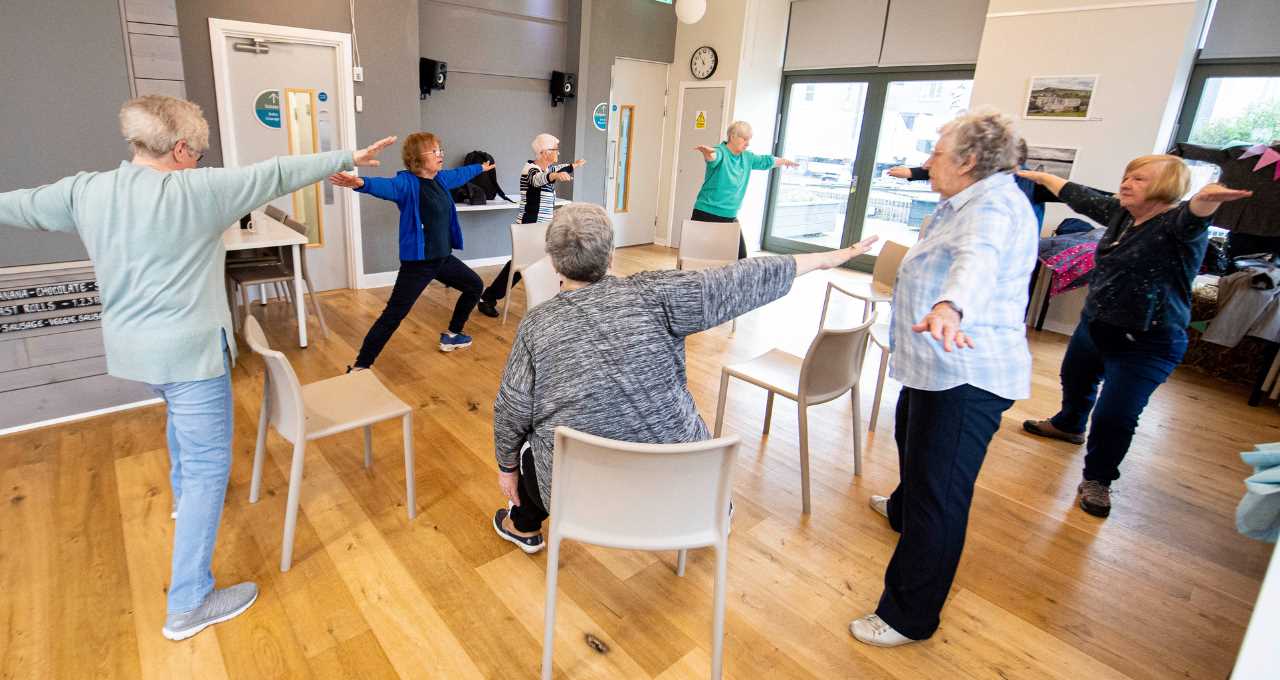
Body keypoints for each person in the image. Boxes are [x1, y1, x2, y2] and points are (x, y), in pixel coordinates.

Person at [0, 95, 396, 640]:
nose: (202, 161)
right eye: (199, 152)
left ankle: (183, 504)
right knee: (211, 464)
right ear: (181, 148)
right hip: (189, 354)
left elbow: (16, 205)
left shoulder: (86, 190)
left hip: (135, 353)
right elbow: (277, 173)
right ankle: (188, 603)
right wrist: (346, 153)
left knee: (180, 428)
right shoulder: (196, 191)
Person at [489, 203, 877, 553]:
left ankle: (523, 527)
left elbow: (512, 409)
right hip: (683, 489)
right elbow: (739, 278)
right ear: (610, 256)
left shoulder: (538, 323)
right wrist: (825, 259)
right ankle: (711, 513)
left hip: (582, 501)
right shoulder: (658, 294)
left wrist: (507, 467)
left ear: (553, 263)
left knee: (528, 445)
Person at [851, 111, 1038, 648]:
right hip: (935, 365)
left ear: (969, 160)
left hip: (966, 372)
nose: (928, 161)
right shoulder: (964, 199)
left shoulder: (993, 207)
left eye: (936, 152)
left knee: (941, 494)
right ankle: (902, 510)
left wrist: (950, 307)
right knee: (910, 436)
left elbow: (977, 261)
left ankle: (909, 616)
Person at [1018, 157, 1251, 517]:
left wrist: (1207, 200)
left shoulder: (1178, 225)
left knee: (1115, 415)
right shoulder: (1121, 212)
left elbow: (1196, 214)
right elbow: (1079, 195)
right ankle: (1069, 425)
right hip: (1096, 325)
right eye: (1127, 176)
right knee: (1075, 379)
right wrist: (1038, 175)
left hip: (1149, 342)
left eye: (1139, 179)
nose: (1126, 183)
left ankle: (1098, 479)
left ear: (1166, 187)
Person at [330, 132, 493, 366]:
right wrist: (361, 183)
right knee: (394, 314)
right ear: (417, 158)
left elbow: (459, 174)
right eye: (434, 151)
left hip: (443, 259)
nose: (440, 155)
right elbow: (385, 186)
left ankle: (453, 335)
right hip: (419, 263)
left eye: (440, 150)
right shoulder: (407, 183)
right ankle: (361, 365)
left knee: (474, 285)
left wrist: (479, 167)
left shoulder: (440, 180)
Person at [476, 133, 585, 318]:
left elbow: (557, 168)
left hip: (543, 228)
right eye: (555, 150)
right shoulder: (530, 170)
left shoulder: (547, 167)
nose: (558, 153)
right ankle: (488, 297)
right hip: (529, 227)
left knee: (554, 261)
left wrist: (573, 165)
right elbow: (539, 180)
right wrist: (556, 175)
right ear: (544, 152)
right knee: (519, 266)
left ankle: (557, 301)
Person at [887, 138, 1057, 227]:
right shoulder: (980, 177)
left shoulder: (1027, 185)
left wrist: (1047, 179)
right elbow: (951, 169)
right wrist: (911, 172)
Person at [691, 120, 799, 259]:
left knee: (741, 257)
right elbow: (713, 158)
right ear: (732, 136)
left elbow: (765, 161)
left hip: (729, 216)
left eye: (749, 139)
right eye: (744, 139)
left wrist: (784, 161)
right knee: (699, 256)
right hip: (706, 213)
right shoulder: (720, 151)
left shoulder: (747, 157)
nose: (747, 143)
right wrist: (707, 154)